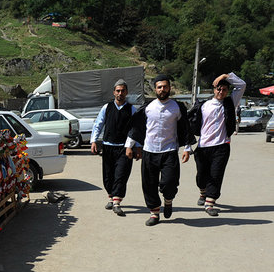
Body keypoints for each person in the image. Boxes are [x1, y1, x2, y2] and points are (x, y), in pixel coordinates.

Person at [125, 74, 194, 226]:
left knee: (169, 182)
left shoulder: (177, 107)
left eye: (165, 86)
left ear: (170, 88)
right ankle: (154, 213)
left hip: (169, 151)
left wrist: (187, 148)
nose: (162, 89)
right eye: (159, 87)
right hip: (149, 151)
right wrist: (129, 146)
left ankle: (168, 200)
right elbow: (137, 128)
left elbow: (185, 129)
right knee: (149, 184)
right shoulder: (148, 108)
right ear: (155, 89)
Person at [188, 73, 245, 216]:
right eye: (219, 89)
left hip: (221, 146)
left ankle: (210, 203)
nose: (221, 92)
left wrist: (225, 76)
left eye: (224, 90)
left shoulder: (230, 102)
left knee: (216, 174)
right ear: (214, 90)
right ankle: (203, 193)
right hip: (203, 146)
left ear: (227, 92)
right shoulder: (203, 105)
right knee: (201, 176)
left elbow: (241, 85)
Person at [90, 79, 137, 216]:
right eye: (118, 91)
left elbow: (136, 129)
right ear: (114, 92)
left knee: (121, 174)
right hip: (108, 146)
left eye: (122, 91)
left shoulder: (131, 109)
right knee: (108, 175)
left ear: (126, 92)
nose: (120, 93)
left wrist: (137, 147)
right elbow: (98, 124)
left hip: (124, 148)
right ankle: (111, 197)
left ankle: (117, 202)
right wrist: (94, 141)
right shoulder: (107, 107)